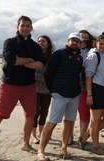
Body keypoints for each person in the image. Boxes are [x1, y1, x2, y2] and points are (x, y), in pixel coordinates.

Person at [0, 15, 45, 161]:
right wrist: (29, 61)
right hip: (9, 85)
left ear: (31, 28)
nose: (25, 28)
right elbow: (11, 60)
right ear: (18, 27)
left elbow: (40, 65)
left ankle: (25, 143)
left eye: (28, 26)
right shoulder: (10, 42)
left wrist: (22, 62)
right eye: (23, 26)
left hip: (28, 86)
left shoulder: (35, 46)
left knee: (30, 115)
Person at [37, 32, 83, 161]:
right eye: (72, 40)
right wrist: (53, 90)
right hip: (60, 94)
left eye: (77, 41)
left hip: (74, 94)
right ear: (68, 41)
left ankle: (64, 148)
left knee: (69, 122)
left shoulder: (80, 58)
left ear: (79, 43)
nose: (74, 43)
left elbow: (78, 75)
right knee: (51, 123)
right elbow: (48, 74)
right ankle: (41, 151)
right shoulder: (59, 54)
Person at [80, 33, 104, 155]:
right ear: (96, 43)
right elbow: (88, 76)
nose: (103, 46)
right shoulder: (93, 55)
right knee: (95, 121)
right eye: (100, 43)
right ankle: (96, 146)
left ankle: (85, 137)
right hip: (97, 89)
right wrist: (89, 94)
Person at [31, 35, 55, 144]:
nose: (41, 43)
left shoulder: (52, 57)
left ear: (48, 43)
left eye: (43, 41)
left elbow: (54, 73)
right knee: (34, 113)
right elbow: (29, 71)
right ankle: (33, 135)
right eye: (39, 41)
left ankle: (42, 133)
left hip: (47, 90)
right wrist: (40, 77)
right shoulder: (33, 55)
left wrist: (48, 78)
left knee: (44, 112)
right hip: (34, 89)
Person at [76, 30, 95, 145]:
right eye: (81, 36)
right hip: (70, 85)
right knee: (70, 112)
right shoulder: (69, 51)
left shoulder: (91, 52)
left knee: (84, 112)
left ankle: (82, 136)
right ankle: (69, 136)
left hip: (84, 84)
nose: (83, 39)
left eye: (85, 37)